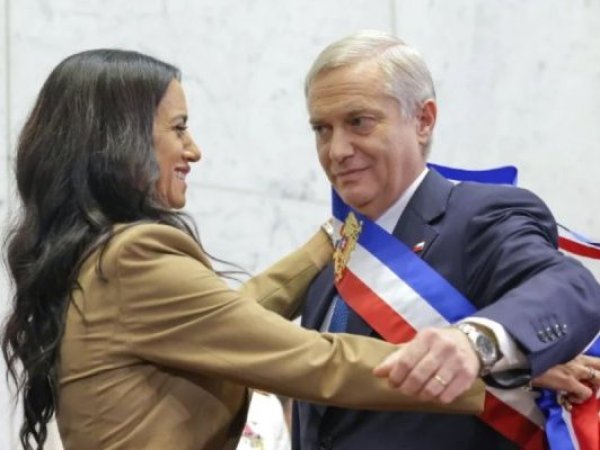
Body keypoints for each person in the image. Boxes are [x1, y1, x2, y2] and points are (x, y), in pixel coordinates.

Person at [0, 49, 484, 450]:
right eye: (179, 128)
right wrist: (480, 374)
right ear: (121, 139)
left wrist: (338, 236)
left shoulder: (97, 256)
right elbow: (314, 359)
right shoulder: (132, 259)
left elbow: (231, 315)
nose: (193, 150)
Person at [293, 30, 600, 450]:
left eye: (358, 122)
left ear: (423, 120)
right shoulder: (330, 274)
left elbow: (571, 287)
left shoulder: (478, 216)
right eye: (322, 129)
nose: (337, 150)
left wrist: (475, 343)